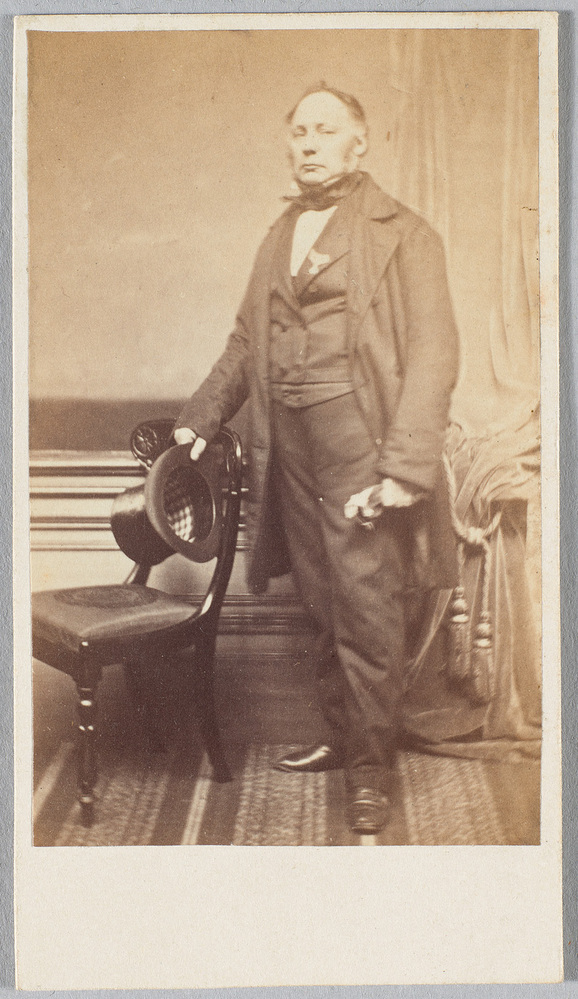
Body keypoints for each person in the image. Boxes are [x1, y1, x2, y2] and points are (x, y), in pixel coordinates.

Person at [174, 84, 459, 834]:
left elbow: (434, 353)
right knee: (320, 598)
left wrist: (403, 469)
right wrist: (200, 417)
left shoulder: (407, 233)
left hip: (359, 438)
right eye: (299, 129)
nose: (308, 142)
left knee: (365, 599)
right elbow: (247, 341)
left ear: (359, 145)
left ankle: (371, 768)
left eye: (325, 130)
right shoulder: (280, 234)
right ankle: (343, 733)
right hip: (286, 443)